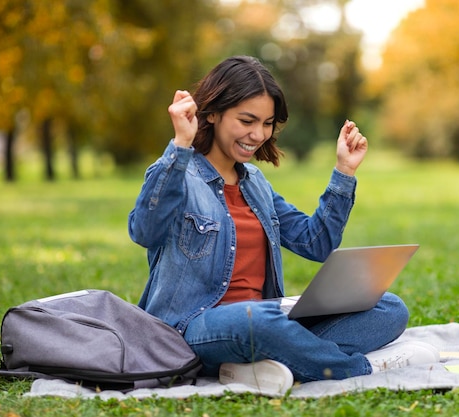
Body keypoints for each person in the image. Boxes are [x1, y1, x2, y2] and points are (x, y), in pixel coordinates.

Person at [128, 56, 438, 394]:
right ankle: (361, 368)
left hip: (265, 318)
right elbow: (144, 232)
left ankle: (267, 363)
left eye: (267, 123)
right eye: (247, 120)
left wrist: (344, 173)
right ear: (212, 113)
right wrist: (180, 145)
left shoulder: (255, 183)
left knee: (388, 307)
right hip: (194, 330)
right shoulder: (178, 173)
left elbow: (315, 243)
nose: (258, 134)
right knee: (257, 322)